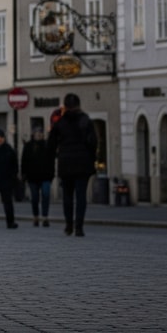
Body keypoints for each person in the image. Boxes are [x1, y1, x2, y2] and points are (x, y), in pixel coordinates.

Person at [48, 92, 98, 237]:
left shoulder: (60, 123)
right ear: (78, 105)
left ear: (65, 106)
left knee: (67, 196)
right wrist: (91, 159)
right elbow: (93, 142)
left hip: (66, 164)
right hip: (83, 163)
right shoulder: (86, 121)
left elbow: (51, 145)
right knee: (81, 196)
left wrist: (55, 158)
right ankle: (79, 227)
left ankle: (68, 225)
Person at [20, 126, 56, 227]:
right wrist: (24, 174)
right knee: (35, 198)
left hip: (46, 176)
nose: (39, 134)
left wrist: (51, 174)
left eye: (40, 133)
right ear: (33, 134)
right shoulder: (28, 146)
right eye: (37, 133)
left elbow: (52, 161)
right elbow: (24, 161)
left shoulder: (47, 145)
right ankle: (35, 216)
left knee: (45, 195)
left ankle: (45, 217)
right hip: (32, 177)